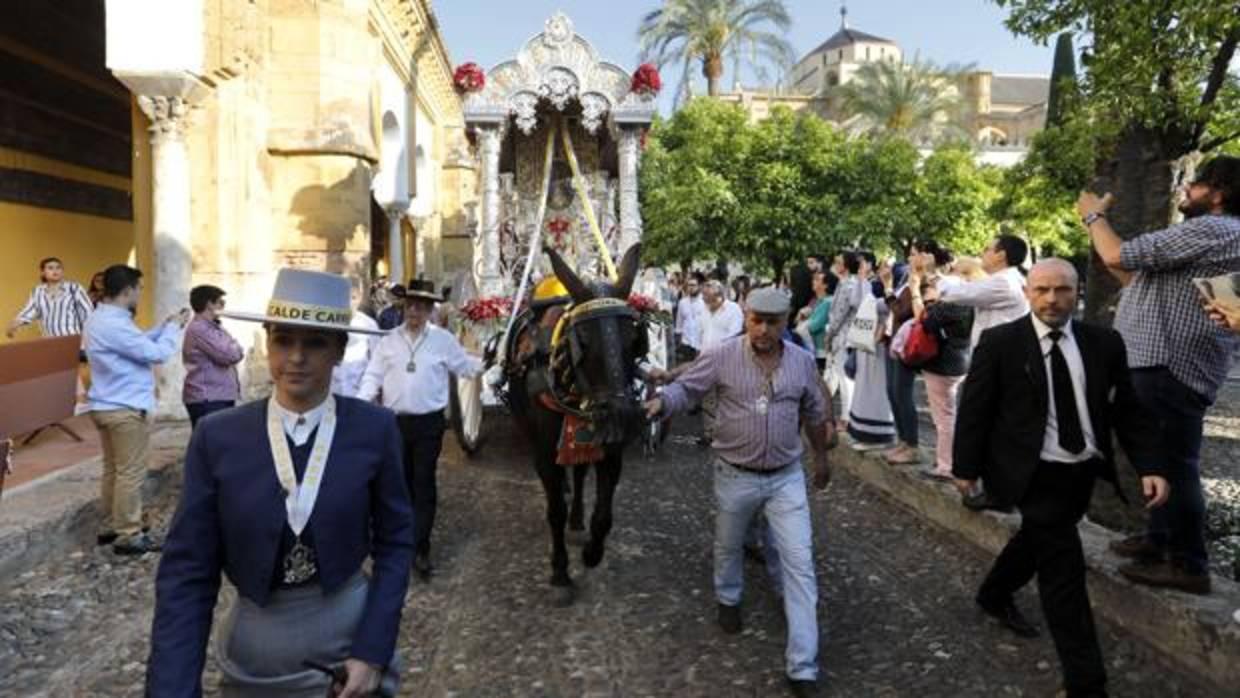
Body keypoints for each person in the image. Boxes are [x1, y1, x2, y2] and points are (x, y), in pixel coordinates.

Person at [149, 268, 409, 697]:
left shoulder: (374, 429)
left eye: (315, 343)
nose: (296, 357)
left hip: (349, 649)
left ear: (339, 350)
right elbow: (188, 572)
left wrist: (373, 650)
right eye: (284, 340)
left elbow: (396, 541)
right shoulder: (219, 437)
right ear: (267, 342)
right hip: (257, 656)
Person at [952, 259, 1168, 698]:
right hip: (1030, 471)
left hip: (1081, 469)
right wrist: (965, 468)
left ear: (1077, 291)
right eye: (1042, 289)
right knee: (1063, 570)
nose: (1052, 299)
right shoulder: (1001, 342)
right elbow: (976, 408)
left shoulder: (1104, 343)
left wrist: (1151, 465)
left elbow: (1127, 409)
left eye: (1063, 289)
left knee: (1038, 537)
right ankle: (1086, 683)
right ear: (1028, 293)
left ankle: (993, 593)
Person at [644, 287, 834, 698]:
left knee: (799, 562)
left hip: (786, 478)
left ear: (785, 322)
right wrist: (663, 403)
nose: (763, 329)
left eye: (772, 322)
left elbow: (814, 413)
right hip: (735, 475)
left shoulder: (802, 362)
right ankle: (728, 597)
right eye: (756, 320)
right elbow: (687, 388)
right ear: (746, 317)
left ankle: (803, 666)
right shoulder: (722, 356)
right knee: (728, 546)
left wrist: (821, 457)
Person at [1080, 154, 1240, 595]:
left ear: (1219, 193)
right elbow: (1132, 275)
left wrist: (1093, 215)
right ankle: (1160, 539)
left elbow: (1115, 253)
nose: (1186, 188)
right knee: (1160, 458)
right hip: (1167, 363)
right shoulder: (1219, 236)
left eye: (1196, 183)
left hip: (1169, 365)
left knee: (1173, 465)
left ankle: (1189, 564)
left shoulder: (1212, 229)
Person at [359, 279, 483, 580]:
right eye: (410, 305)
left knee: (423, 483)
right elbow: (372, 376)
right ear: (404, 307)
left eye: (421, 306)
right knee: (397, 484)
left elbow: (464, 367)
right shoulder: (389, 342)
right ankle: (396, 543)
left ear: (429, 310)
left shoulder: (443, 340)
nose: (414, 311)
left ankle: (420, 548)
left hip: (429, 424)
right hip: (395, 424)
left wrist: (491, 363)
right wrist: (359, 406)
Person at [84, 265, 189, 554]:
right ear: (128, 289)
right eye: (139, 289)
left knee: (113, 470)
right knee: (130, 473)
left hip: (107, 404)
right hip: (125, 407)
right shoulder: (114, 323)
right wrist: (173, 329)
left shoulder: (102, 318)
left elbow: (136, 344)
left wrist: (163, 327)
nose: (140, 294)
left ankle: (111, 524)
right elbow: (157, 353)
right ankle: (128, 534)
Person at [907, 260, 973, 479]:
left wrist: (915, 291)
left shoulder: (947, 307)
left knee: (943, 417)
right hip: (960, 361)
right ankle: (948, 458)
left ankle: (946, 465)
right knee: (950, 414)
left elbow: (921, 320)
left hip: (942, 365)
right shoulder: (969, 305)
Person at [938, 235, 1030, 347]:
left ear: (1001, 255)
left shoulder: (1003, 282)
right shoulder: (1009, 278)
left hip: (997, 352)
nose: (981, 254)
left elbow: (953, 294)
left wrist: (934, 274)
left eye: (986, 249)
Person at [845, 252, 895, 449]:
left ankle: (878, 436)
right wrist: (862, 279)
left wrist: (867, 282)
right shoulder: (871, 282)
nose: (884, 269)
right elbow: (856, 303)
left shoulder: (891, 284)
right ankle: (863, 433)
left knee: (877, 390)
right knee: (864, 388)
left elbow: (888, 305)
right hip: (866, 343)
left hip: (879, 345)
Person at [183, 284, 244, 428]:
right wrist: (234, 345)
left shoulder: (214, 327)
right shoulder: (200, 328)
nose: (223, 306)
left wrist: (234, 346)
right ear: (209, 304)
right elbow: (230, 355)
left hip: (217, 396)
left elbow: (235, 350)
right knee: (211, 440)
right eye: (220, 302)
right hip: (208, 399)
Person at [6, 256, 94, 340]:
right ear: (43, 272)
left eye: (58, 268)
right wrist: (15, 324)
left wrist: (89, 337)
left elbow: (88, 312)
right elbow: (29, 311)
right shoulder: (38, 291)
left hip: (72, 339)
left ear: (62, 271)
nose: (55, 271)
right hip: (50, 341)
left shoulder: (74, 288)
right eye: (50, 268)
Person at [823, 251, 862, 428]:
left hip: (842, 336)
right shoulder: (847, 283)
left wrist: (829, 336)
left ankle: (847, 418)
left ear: (845, 266)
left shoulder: (847, 285)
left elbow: (838, 316)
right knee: (838, 377)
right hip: (842, 335)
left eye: (838, 262)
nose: (835, 264)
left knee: (845, 379)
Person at [331, 282, 382, 398]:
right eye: (345, 297)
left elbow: (376, 363)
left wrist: (365, 395)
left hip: (358, 394)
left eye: (353, 298)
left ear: (360, 298)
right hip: (331, 394)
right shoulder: (329, 321)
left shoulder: (369, 325)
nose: (349, 303)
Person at [674, 272, 706, 362]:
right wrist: (679, 340)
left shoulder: (705, 302)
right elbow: (679, 323)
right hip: (686, 342)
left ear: (699, 286)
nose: (690, 288)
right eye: (689, 285)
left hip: (700, 343)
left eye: (693, 285)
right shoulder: (682, 302)